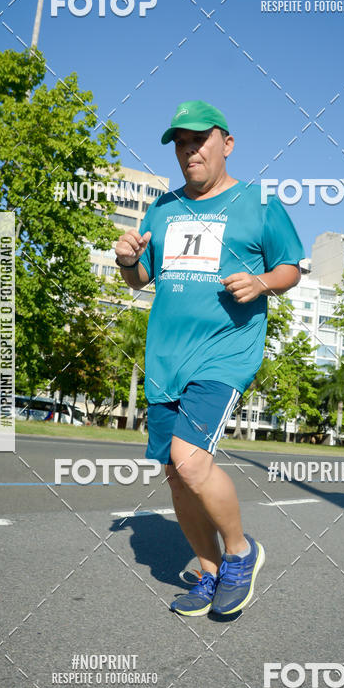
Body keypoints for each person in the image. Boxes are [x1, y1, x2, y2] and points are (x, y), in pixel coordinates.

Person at [114, 100, 303, 617]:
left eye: (199, 139)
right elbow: (140, 279)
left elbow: (291, 267)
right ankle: (210, 569)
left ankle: (241, 552)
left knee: (191, 460)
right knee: (176, 472)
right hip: (164, 359)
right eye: (180, 142)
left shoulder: (258, 203)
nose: (189, 150)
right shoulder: (163, 208)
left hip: (223, 353)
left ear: (227, 143)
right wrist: (128, 261)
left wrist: (263, 281)